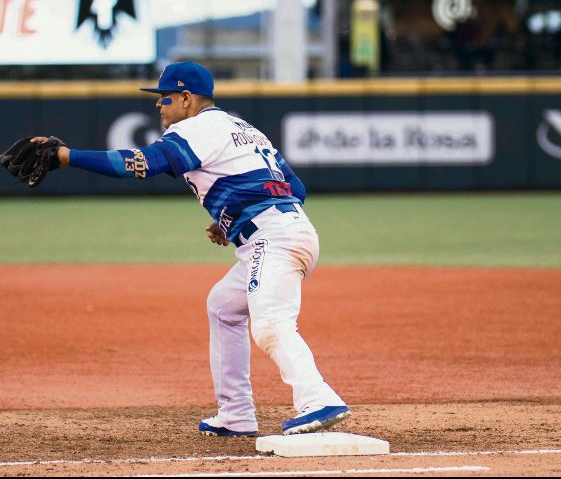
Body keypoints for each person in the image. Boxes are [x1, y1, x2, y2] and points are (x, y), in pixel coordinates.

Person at [31, 61, 349, 436]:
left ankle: (318, 398)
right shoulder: (243, 128)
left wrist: (67, 157)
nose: (158, 105)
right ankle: (236, 414)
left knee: (270, 324)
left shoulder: (198, 128)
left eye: (164, 97)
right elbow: (295, 188)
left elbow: (140, 164)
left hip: (273, 236)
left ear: (186, 98)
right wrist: (229, 217)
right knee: (223, 306)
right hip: (286, 228)